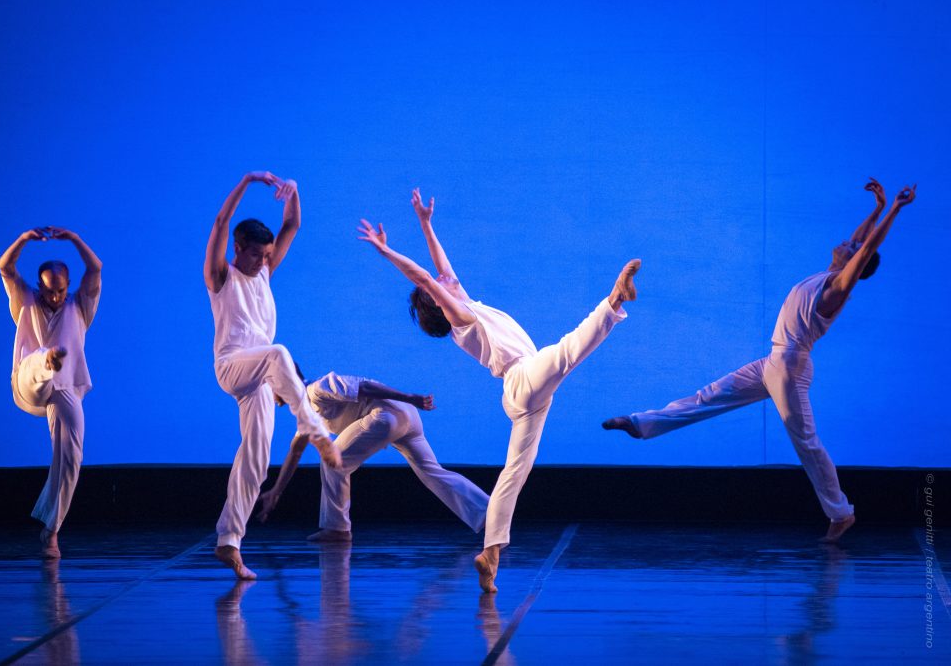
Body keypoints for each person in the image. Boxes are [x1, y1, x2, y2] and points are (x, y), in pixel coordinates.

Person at [603, 179, 916, 543]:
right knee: (709, 396)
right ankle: (640, 424)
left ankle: (841, 514)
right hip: (774, 362)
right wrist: (877, 208)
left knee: (806, 443)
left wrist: (895, 208)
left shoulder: (837, 288)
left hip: (789, 368)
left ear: (855, 264)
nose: (848, 241)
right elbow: (861, 242)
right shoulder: (827, 275)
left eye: (853, 247)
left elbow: (867, 248)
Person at [358, 188, 640, 592]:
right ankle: (614, 300)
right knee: (565, 353)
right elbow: (425, 277)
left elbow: (440, 270)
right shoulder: (460, 317)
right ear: (438, 302)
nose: (446, 277)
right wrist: (386, 251)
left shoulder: (464, 304)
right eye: (440, 287)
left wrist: (425, 223)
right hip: (522, 378)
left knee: (515, 472)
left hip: (523, 392)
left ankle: (490, 555)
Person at [205, 170, 340, 580]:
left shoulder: (264, 272)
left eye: (268, 255)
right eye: (258, 254)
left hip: (261, 378)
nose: (266, 261)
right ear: (238, 249)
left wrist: (293, 190)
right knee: (279, 352)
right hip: (232, 366)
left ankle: (229, 541)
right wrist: (247, 181)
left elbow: (292, 224)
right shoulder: (221, 277)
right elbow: (221, 222)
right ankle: (314, 429)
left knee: (257, 460)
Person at [256, 368, 490, 541]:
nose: (272, 400)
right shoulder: (307, 412)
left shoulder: (317, 389)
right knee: (433, 472)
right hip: (404, 417)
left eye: (270, 390)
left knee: (334, 460)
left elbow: (365, 387)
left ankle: (337, 529)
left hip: (388, 414)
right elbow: (296, 450)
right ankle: (492, 516)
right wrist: (276, 491)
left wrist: (411, 397)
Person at [0, 226, 102, 558]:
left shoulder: (80, 306)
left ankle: (51, 530)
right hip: (28, 383)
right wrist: (23, 240)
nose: (55, 297)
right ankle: (48, 359)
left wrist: (74, 239)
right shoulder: (25, 301)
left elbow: (95, 269)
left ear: (68, 286)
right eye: (48, 291)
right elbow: (5, 267)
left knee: (71, 457)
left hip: (65, 387)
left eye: (60, 291)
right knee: (39, 360)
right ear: (38, 286)